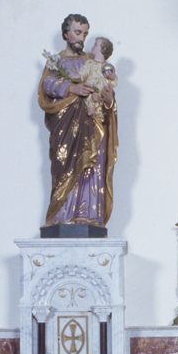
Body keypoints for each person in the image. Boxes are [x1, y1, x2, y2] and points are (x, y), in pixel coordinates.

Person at [38, 14, 118, 228]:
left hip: (92, 124)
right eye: (77, 32)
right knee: (65, 163)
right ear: (66, 34)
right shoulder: (56, 61)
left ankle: (87, 213)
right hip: (65, 126)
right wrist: (71, 88)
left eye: (85, 34)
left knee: (91, 165)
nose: (81, 38)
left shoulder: (92, 63)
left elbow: (106, 96)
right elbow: (47, 85)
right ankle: (61, 215)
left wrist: (109, 100)